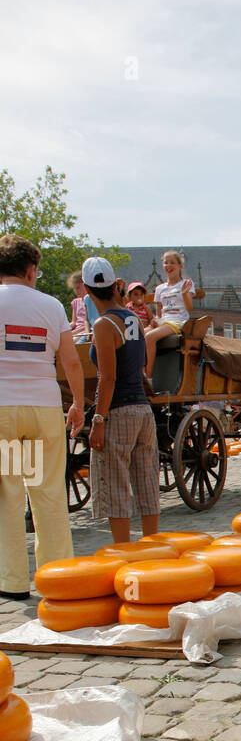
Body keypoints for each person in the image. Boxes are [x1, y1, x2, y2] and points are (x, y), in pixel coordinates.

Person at [0, 235, 85, 600]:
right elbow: (70, 361)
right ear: (31, 269)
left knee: (8, 495)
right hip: (43, 408)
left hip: (4, 408)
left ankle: (13, 581)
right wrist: (78, 404)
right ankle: (58, 577)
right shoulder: (50, 305)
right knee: (47, 493)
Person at [82, 256, 160, 544]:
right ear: (116, 286)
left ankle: (124, 551)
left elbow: (107, 378)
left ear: (88, 292)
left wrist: (98, 419)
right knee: (146, 482)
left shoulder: (103, 324)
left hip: (119, 410)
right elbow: (140, 368)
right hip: (142, 410)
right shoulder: (134, 320)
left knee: (115, 484)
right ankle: (153, 546)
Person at [144, 250, 193, 381]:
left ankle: (148, 378)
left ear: (180, 266)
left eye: (172, 263)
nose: (168, 266)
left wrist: (184, 294)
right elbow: (159, 312)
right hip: (164, 322)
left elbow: (189, 308)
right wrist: (155, 321)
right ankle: (139, 371)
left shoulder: (186, 284)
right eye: (166, 263)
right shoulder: (160, 288)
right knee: (136, 336)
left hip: (178, 321)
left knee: (149, 337)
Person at [67, 270, 90, 342]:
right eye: (74, 288)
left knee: (73, 340)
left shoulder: (90, 301)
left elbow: (88, 323)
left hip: (85, 331)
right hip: (76, 331)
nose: (76, 291)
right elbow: (74, 322)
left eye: (78, 288)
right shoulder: (75, 302)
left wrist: (73, 333)